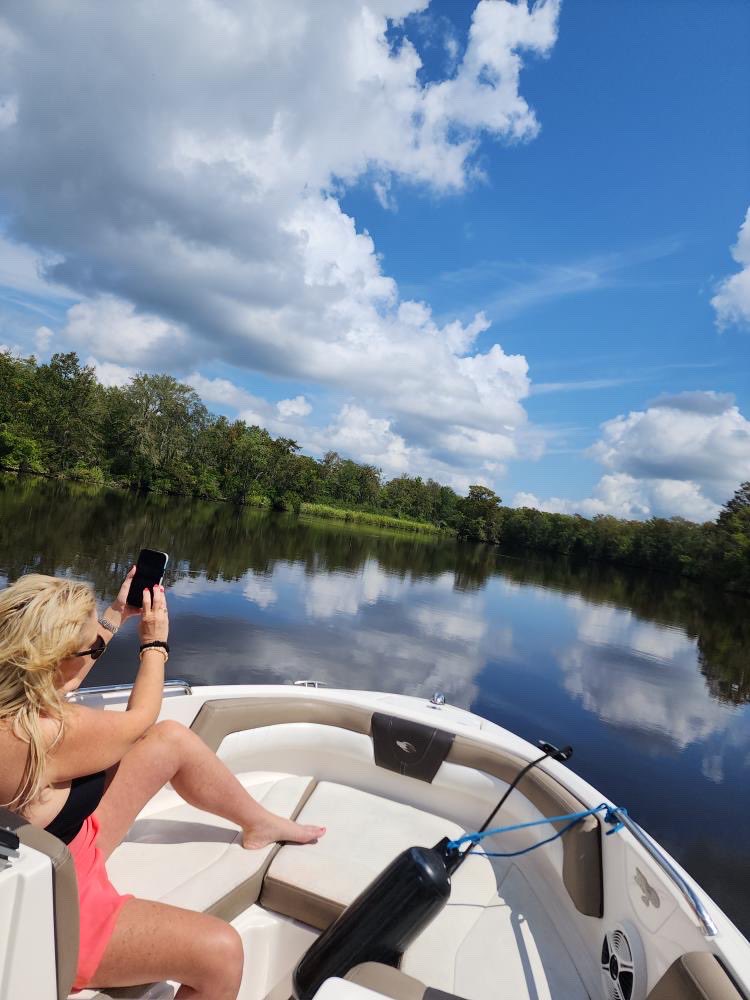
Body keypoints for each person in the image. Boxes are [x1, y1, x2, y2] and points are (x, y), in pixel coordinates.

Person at [0, 569, 325, 999]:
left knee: (171, 741)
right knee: (221, 954)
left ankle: (260, 823)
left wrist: (117, 614)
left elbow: (74, 669)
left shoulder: (17, 706)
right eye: (90, 643)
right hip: (58, 913)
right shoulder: (46, 734)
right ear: (52, 660)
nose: (97, 644)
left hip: (67, 851)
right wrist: (154, 643)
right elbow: (139, 720)